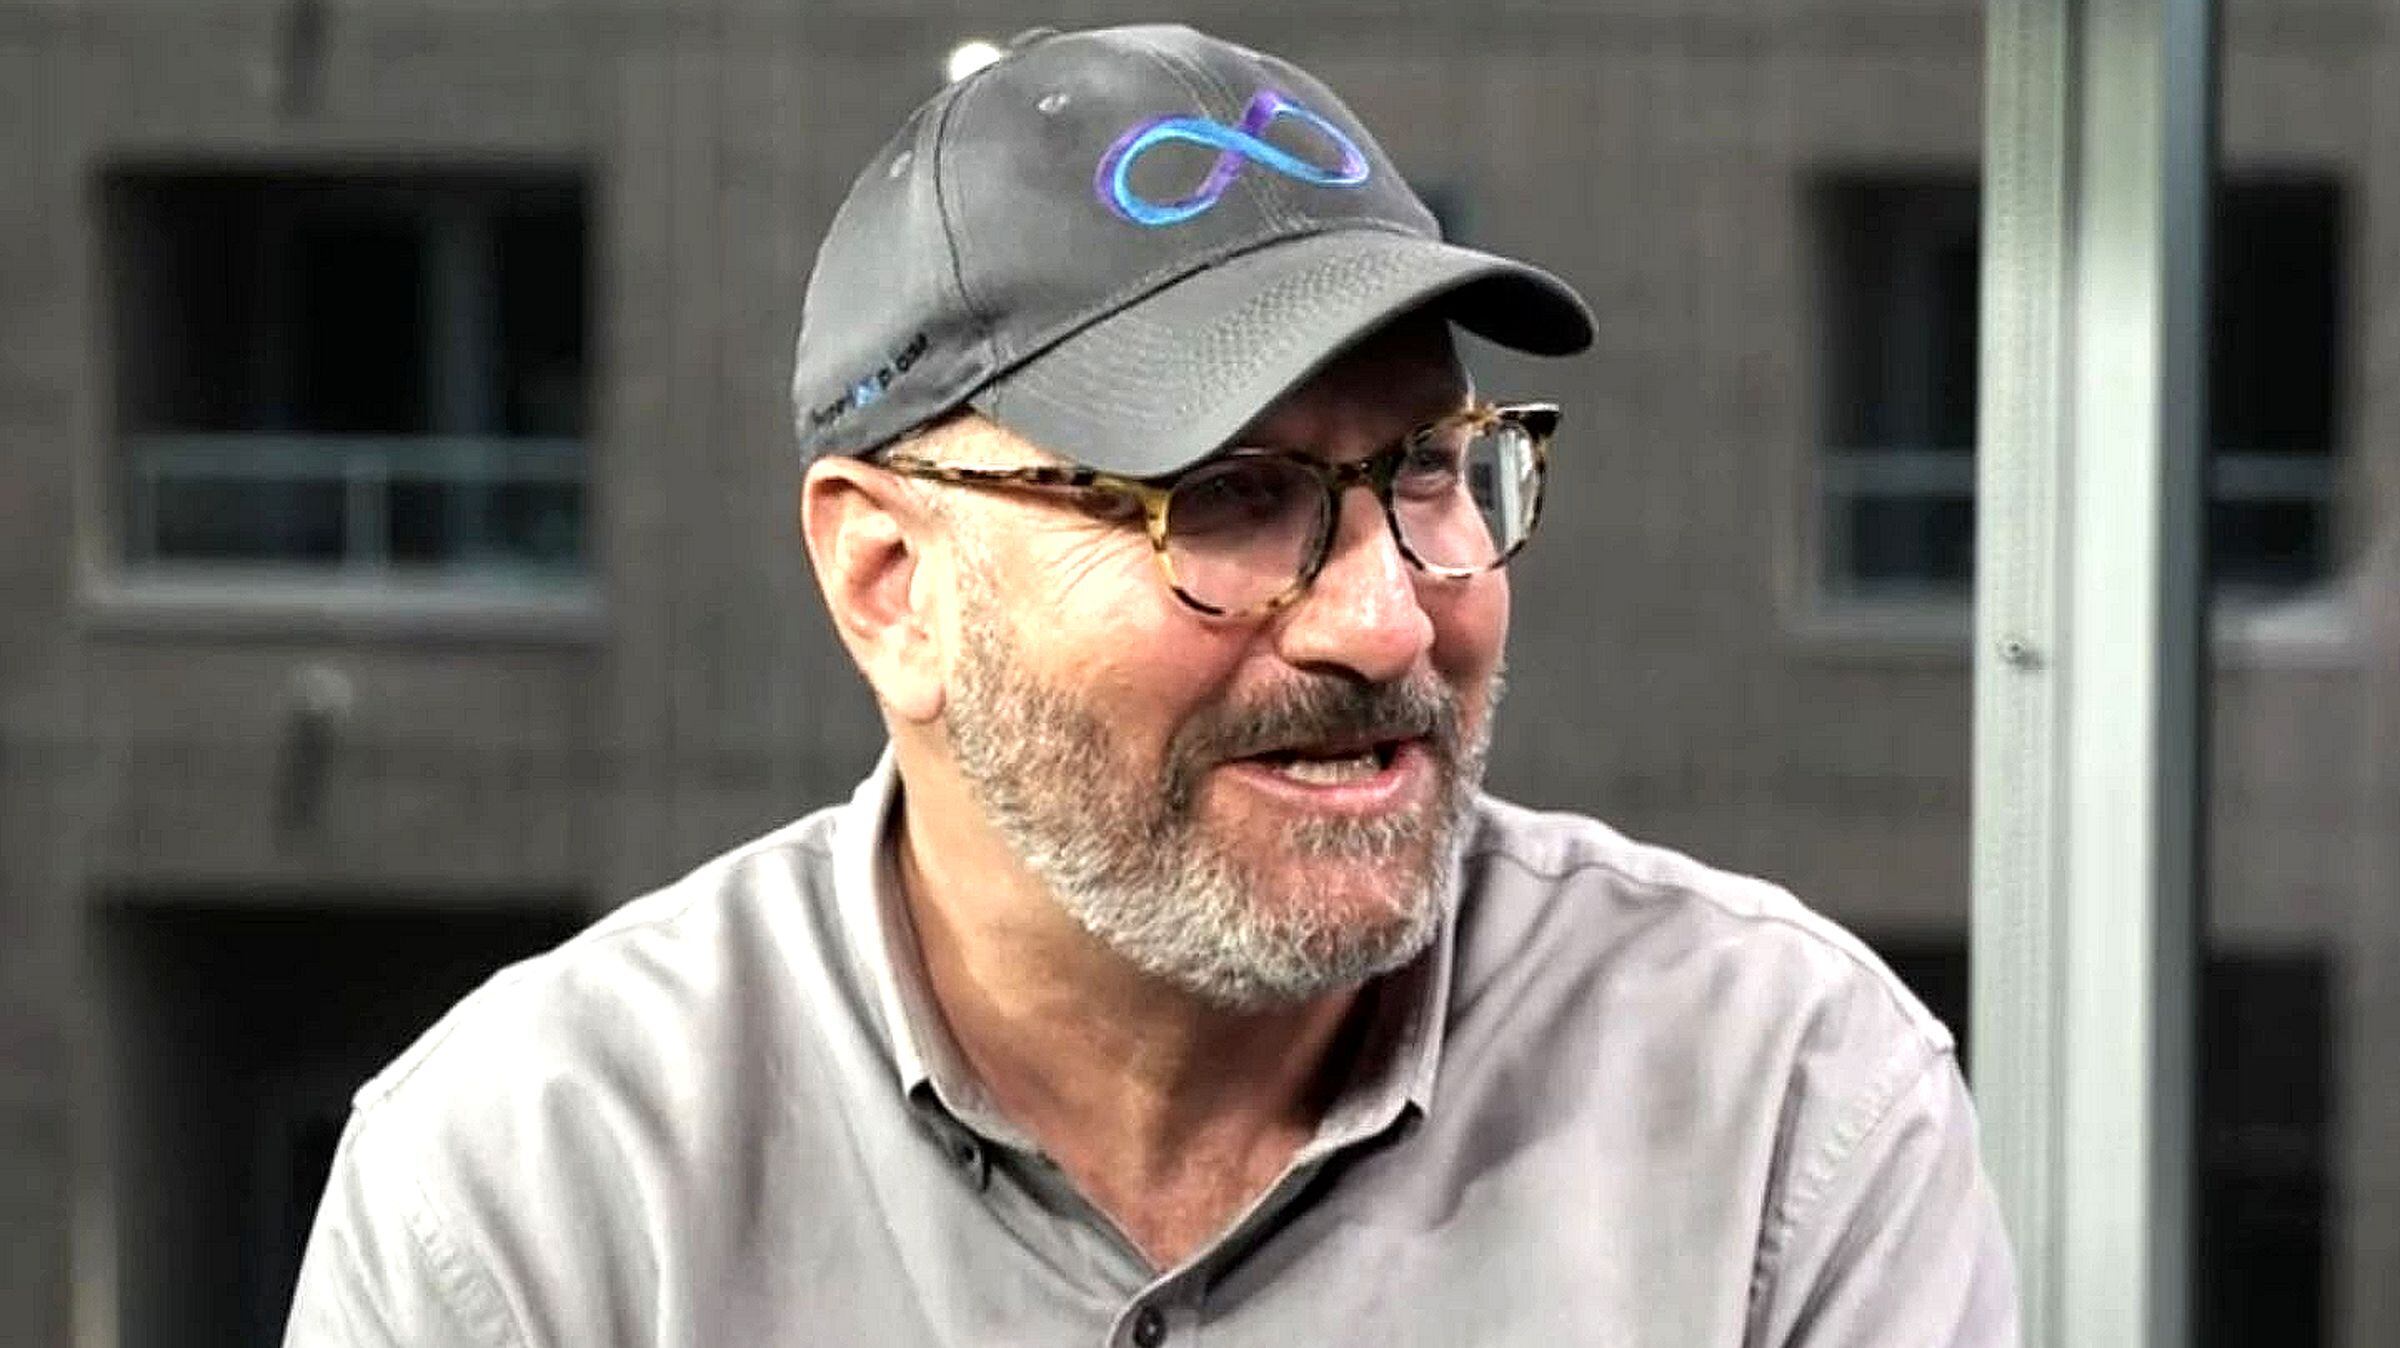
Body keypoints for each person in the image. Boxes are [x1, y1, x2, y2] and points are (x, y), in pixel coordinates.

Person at [285, 23, 2018, 1347]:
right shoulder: (538, 1189)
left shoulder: (1786, 1107)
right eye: (1229, 498)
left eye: (1430, 470)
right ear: (891, 582)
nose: (1386, 622)